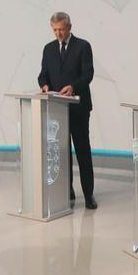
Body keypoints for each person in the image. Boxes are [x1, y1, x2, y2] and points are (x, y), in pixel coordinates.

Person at [38, 12, 97, 209]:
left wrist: (73, 86)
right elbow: (43, 74)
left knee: (82, 152)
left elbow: (88, 74)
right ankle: (67, 192)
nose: (58, 34)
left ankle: (88, 195)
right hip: (57, 110)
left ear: (69, 27)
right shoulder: (48, 49)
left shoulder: (83, 46)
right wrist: (44, 85)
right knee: (62, 153)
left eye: (61, 29)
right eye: (55, 30)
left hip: (78, 108)